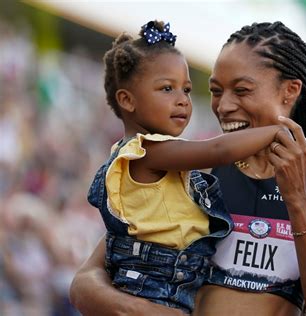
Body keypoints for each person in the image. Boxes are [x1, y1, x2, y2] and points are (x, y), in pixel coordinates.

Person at [70, 21, 306, 316]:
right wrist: (140, 309)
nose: (224, 106)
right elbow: (86, 282)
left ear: (289, 91)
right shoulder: (194, 169)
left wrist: (298, 200)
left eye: (241, 90)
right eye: (215, 91)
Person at [88, 19, 291, 315]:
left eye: (186, 89)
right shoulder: (145, 151)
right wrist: (276, 130)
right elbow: (217, 149)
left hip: (173, 283)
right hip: (151, 284)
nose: (183, 100)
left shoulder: (159, 156)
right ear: (127, 100)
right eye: (167, 89)